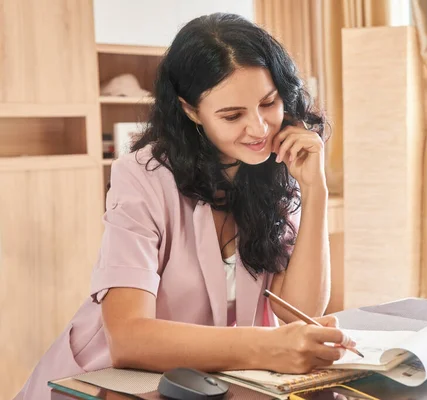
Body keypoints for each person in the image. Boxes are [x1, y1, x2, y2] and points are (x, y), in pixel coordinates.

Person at [16, 13, 355, 400]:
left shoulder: (273, 173)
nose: (260, 128)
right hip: (106, 383)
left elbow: (298, 311)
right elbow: (128, 338)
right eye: (232, 115)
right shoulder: (141, 177)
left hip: (204, 384)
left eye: (269, 102)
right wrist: (269, 345)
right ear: (191, 111)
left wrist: (316, 191)